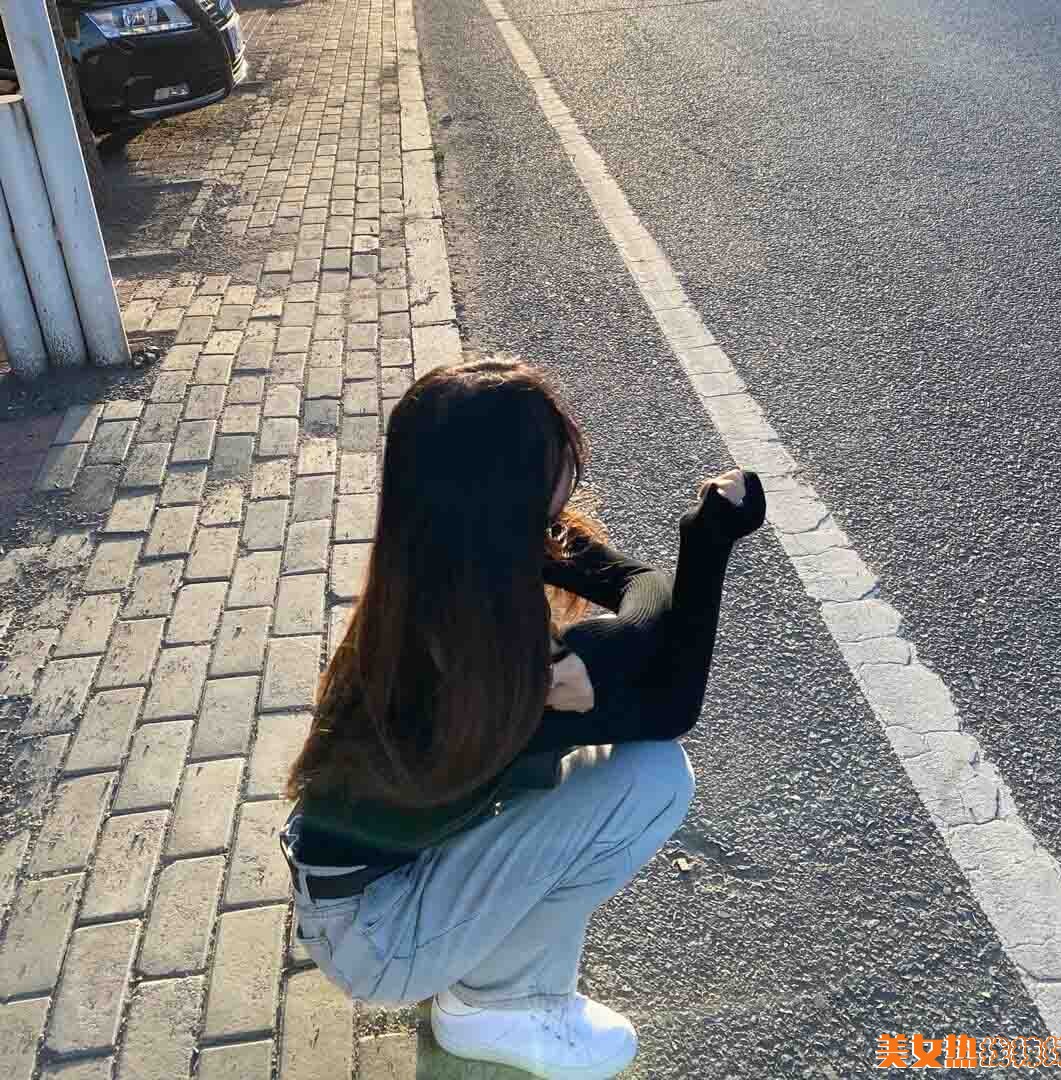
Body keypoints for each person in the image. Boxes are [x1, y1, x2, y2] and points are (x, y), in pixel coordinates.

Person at [279, 355, 767, 1080]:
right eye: (554, 458)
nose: (570, 469)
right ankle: (494, 1007)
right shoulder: (490, 666)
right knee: (650, 782)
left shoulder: (444, 560)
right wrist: (707, 544)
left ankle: (480, 972)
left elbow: (639, 589)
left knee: (601, 757)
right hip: (376, 937)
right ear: (501, 490)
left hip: (364, 889)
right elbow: (671, 704)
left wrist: (680, 565)